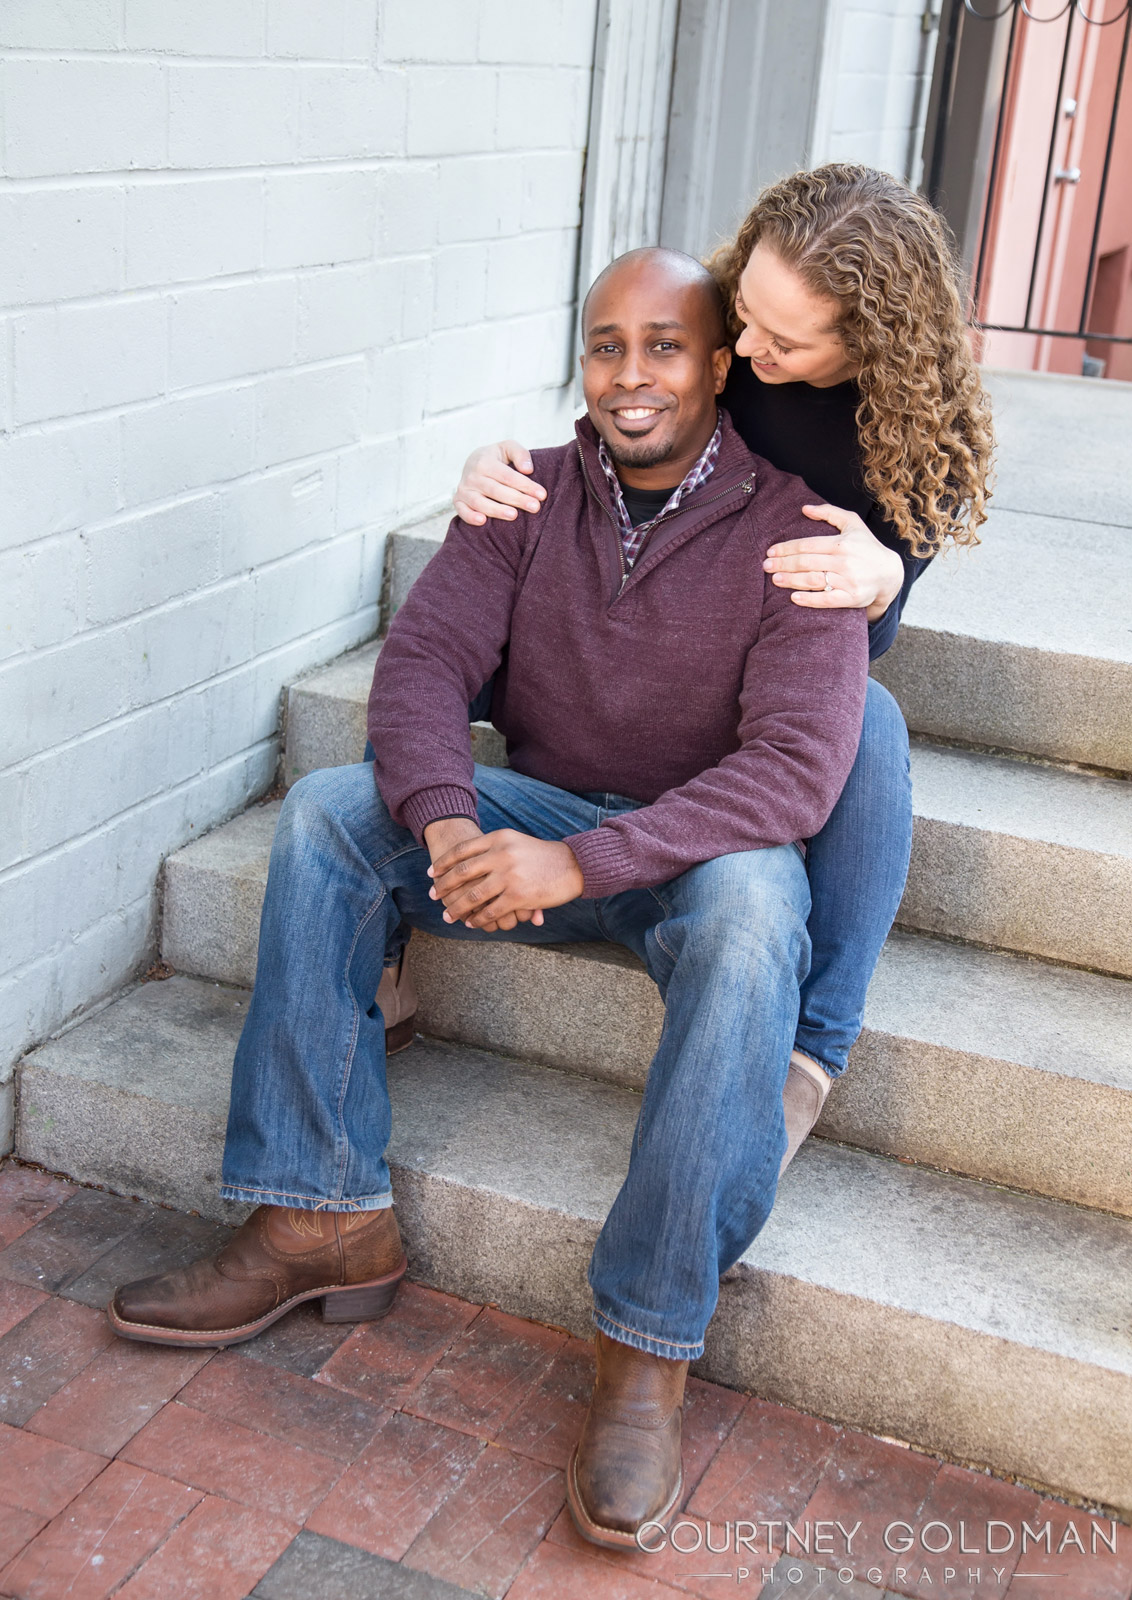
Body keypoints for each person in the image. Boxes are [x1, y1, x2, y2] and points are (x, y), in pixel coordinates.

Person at [107, 247, 868, 1550]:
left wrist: (581, 865)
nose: (631, 375)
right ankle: (317, 1214)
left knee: (755, 914)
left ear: (724, 362)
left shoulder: (798, 536)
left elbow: (796, 776)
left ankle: (648, 1342)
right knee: (331, 816)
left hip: (692, 860)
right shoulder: (524, 497)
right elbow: (421, 668)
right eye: (606, 345)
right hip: (539, 820)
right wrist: (451, 824)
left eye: (667, 345)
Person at [451, 164, 994, 1105]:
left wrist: (885, 581)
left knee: (868, 724)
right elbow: (625, 434)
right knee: (442, 642)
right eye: (743, 312)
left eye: (782, 340)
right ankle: (394, 918)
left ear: (872, 344)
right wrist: (499, 471)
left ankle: (811, 1052)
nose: (745, 346)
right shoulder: (729, 336)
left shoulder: (919, 440)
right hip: (642, 619)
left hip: (771, 658)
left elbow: (857, 635)